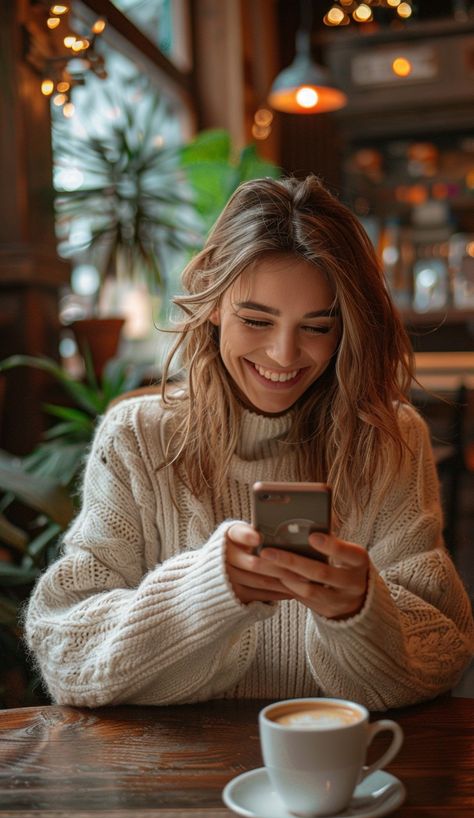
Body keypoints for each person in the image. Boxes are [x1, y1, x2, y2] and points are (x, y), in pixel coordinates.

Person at [25, 175, 473, 710]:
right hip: (172, 780)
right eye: (257, 319)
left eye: (317, 327)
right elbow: (63, 653)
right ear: (214, 304)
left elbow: (444, 652)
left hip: (343, 774)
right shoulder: (136, 440)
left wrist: (363, 611)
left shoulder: (388, 439)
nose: (284, 356)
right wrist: (206, 592)